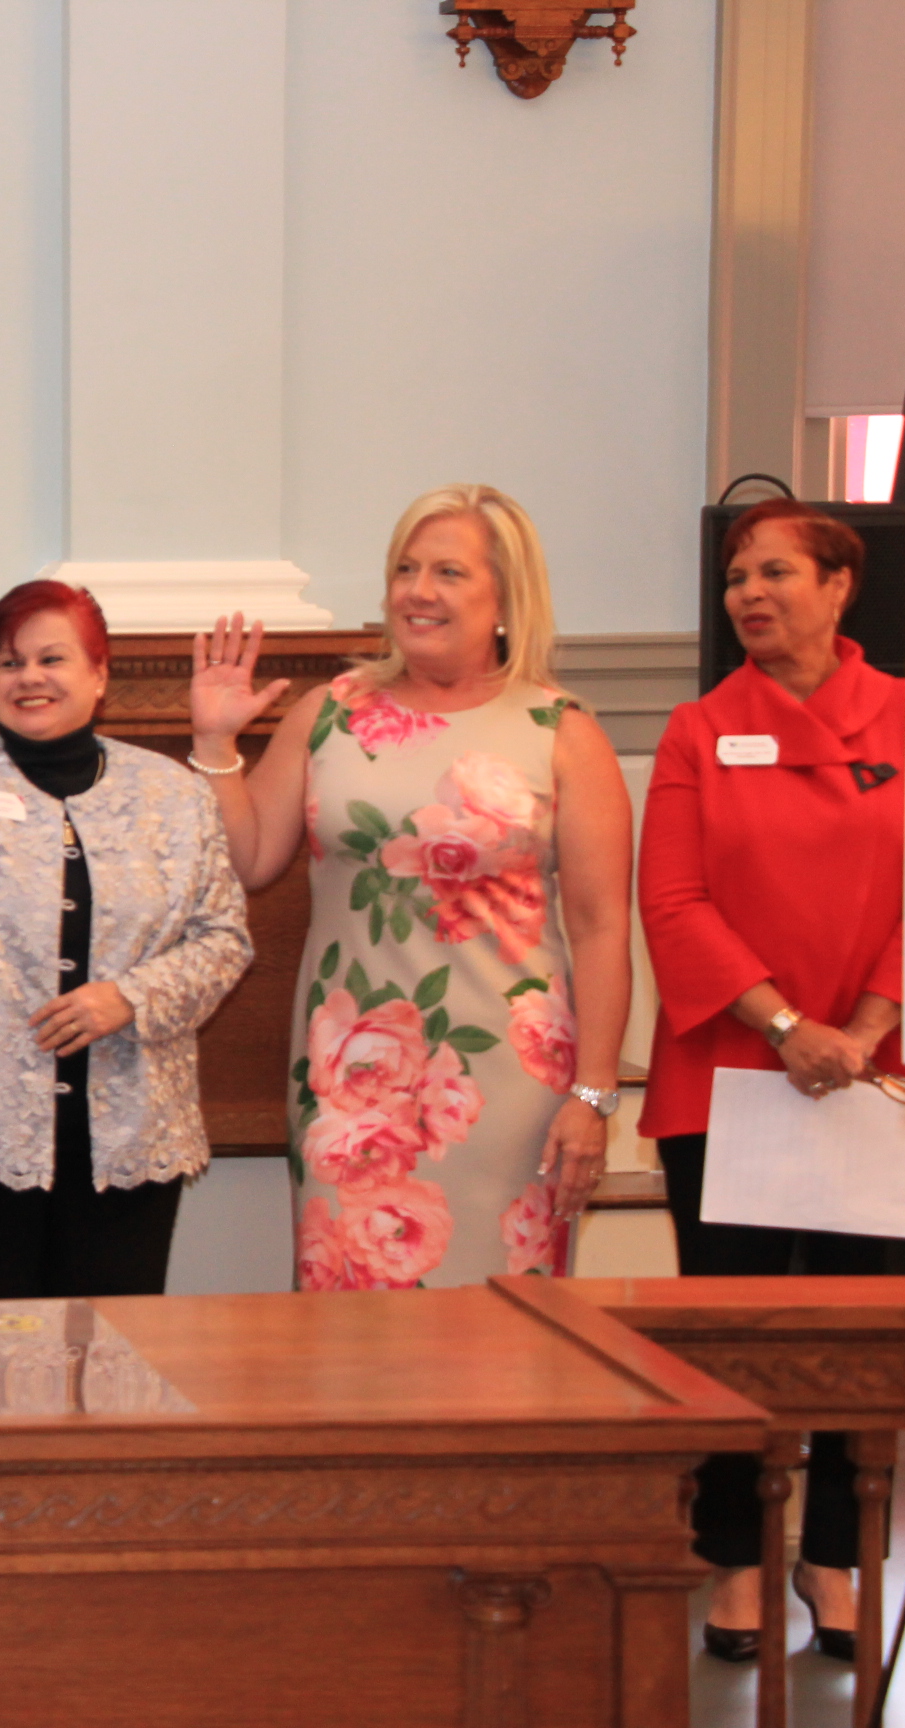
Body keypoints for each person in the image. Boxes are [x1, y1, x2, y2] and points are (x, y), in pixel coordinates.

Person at [638, 497, 905, 1664]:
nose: (750, 593)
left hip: (879, 1071)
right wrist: (788, 1025)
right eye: (738, 577)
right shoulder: (697, 730)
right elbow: (673, 904)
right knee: (732, 1329)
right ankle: (737, 1558)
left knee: (855, 1322)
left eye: (777, 571)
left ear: (842, 588)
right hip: (735, 1062)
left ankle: (834, 1557)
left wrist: (867, 1026)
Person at [187, 484, 633, 1291]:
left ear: (506, 598)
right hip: (349, 1086)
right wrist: (217, 742)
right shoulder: (329, 715)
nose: (418, 591)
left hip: (512, 1091)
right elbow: (250, 860)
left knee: (506, 1336)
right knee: (352, 1326)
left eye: (450, 573)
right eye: (406, 568)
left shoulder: (561, 730)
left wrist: (594, 1097)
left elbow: (604, 927)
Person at [0, 579, 251, 1299]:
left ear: (100, 675)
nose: (29, 676)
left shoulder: (175, 796)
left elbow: (225, 941)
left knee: (112, 1365)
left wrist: (128, 997)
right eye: (8, 662)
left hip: (128, 1139)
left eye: (52, 658)